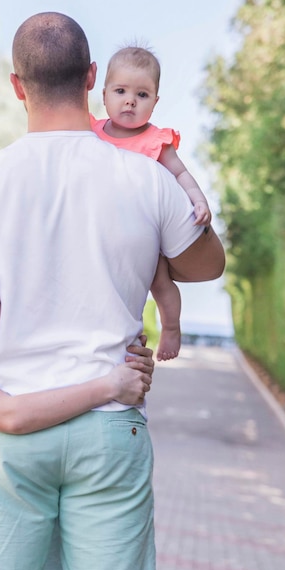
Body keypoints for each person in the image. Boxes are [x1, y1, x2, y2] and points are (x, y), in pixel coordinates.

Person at [0, 12, 225, 570]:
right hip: (111, 421)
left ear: (17, 85)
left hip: (8, 427)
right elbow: (206, 264)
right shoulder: (147, 179)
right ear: (92, 77)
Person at [0, 245, 154, 570]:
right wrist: (111, 386)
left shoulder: (22, 332)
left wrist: (132, 364)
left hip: (24, 475)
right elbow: (11, 415)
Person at [91, 46, 212, 361]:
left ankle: (170, 325)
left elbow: (182, 174)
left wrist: (198, 200)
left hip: (144, 229)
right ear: (104, 94)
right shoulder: (90, 131)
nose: (130, 100)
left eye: (142, 94)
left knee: (160, 281)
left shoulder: (155, 141)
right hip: (101, 227)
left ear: (155, 102)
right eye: (121, 91)